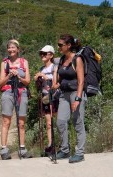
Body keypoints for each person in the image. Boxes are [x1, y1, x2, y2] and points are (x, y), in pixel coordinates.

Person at [53, 34, 87, 163]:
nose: (59, 47)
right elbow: (62, 78)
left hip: (75, 93)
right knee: (61, 121)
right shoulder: (62, 60)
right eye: (59, 45)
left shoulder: (77, 59)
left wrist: (78, 99)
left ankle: (80, 152)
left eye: (61, 45)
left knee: (77, 122)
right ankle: (65, 150)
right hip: (64, 94)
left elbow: (81, 81)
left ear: (69, 46)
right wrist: (56, 85)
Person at [0, 39, 32, 160]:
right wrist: (9, 75)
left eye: (13, 47)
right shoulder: (4, 63)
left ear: (18, 49)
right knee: (6, 121)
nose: (11, 50)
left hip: (22, 92)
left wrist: (18, 76)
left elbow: (27, 81)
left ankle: (22, 149)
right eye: (9, 48)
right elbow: (1, 83)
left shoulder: (24, 62)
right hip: (7, 92)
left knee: (21, 122)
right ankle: (4, 150)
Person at [33, 45, 59, 154]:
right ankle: (50, 145)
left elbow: (56, 81)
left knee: (58, 121)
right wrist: (37, 80)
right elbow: (39, 86)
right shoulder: (41, 69)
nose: (42, 56)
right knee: (48, 123)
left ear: (51, 55)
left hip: (55, 96)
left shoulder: (55, 67)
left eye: (45, 54)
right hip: (45, 98)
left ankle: (62, 144)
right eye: (41, 54)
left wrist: (44, 76)